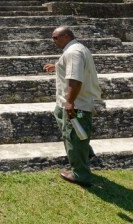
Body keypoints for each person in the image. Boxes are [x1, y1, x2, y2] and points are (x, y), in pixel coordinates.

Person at [43, 26, 102, 187]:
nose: (53, 41)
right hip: (67, 102)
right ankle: (85, 152)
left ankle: (80, 174)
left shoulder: (73, 52)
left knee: (73, 136)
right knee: (68, 129)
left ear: (67, 36)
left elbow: (75, 80)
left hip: (77, 104)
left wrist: (70, 102)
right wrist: (57, 67)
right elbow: (72, 69)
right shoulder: (75, 49)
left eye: (56, 38)